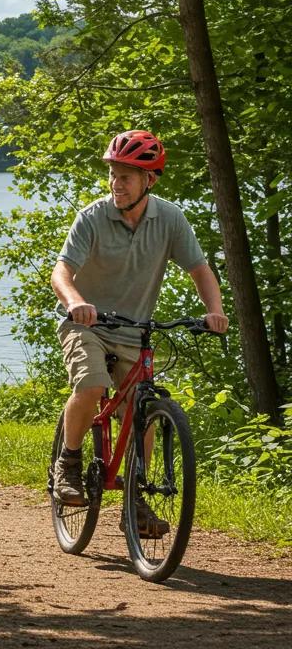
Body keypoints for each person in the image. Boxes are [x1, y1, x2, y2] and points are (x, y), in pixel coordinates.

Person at [50, 130, 228, 535]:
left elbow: (199, 270)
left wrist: (214, 311)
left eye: (127, 176)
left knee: (143, 411)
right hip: (87, 325)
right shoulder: (93, 216)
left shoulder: (169, 219)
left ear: (150, 180)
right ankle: (69, 463)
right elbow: (61, 272)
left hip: (135, 330)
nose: (117, 183)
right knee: (92, 384)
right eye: (113, 174)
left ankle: (135, 498)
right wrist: (76, 302)